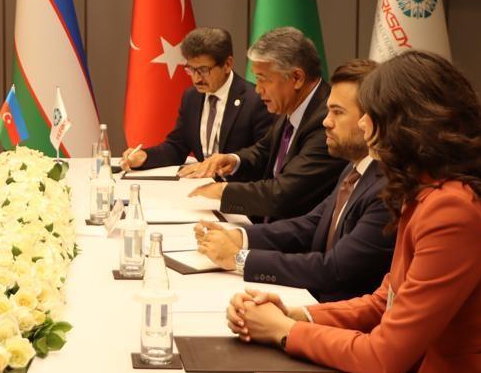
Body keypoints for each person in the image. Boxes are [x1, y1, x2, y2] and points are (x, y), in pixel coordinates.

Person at [226, 51, 481, 373]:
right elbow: (386, 301)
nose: (363, 123)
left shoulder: (453, 207)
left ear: (409, 122)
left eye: (372, 113)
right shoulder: (428, 192)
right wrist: (297, 314)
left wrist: (284, 331)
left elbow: (385, 355)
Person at [194, 59, 394, 302]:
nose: (326, 121)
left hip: (340, 314)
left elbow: (334, 269)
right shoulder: (354, 169)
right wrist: (239, 236)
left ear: (372, 119)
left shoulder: (387, 189)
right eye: (328, 110)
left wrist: (238, 259)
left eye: (338, 112)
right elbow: (311, 225)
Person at [182, 27, 347, 220]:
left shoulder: (326, 122)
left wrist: (222, 191)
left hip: (296, 232)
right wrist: (233, 160)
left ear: (296, 78)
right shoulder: (289, 104)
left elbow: (283, 194)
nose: (258, 90)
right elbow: (264, 151)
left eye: (263, 80)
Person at [119, 27, 273, 172]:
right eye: (191, 69)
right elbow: (177, 147)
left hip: (236, 186)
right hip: (198, 183)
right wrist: (145, 156)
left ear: (227, 64)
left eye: (203, 70)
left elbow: (263, 156)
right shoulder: (191, 97)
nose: (196, 79)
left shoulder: (256, 99)